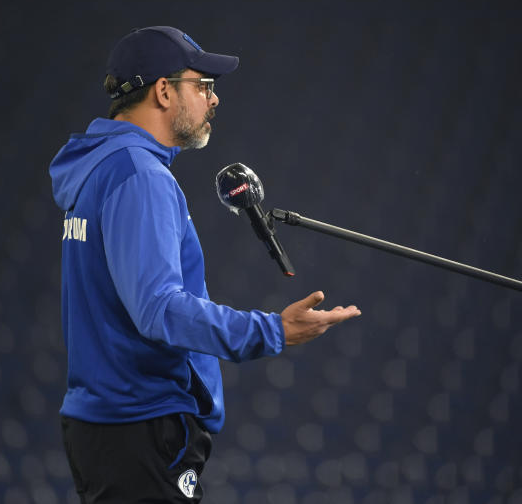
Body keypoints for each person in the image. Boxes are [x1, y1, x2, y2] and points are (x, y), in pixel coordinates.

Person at [49, 26, 361, 502]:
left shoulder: (99, 168)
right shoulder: (140, 175)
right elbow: (159, 309)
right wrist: (272, 330)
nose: (213, 101)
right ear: (163, 91)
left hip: (106, 424)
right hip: (142, 424)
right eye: (203, 86)